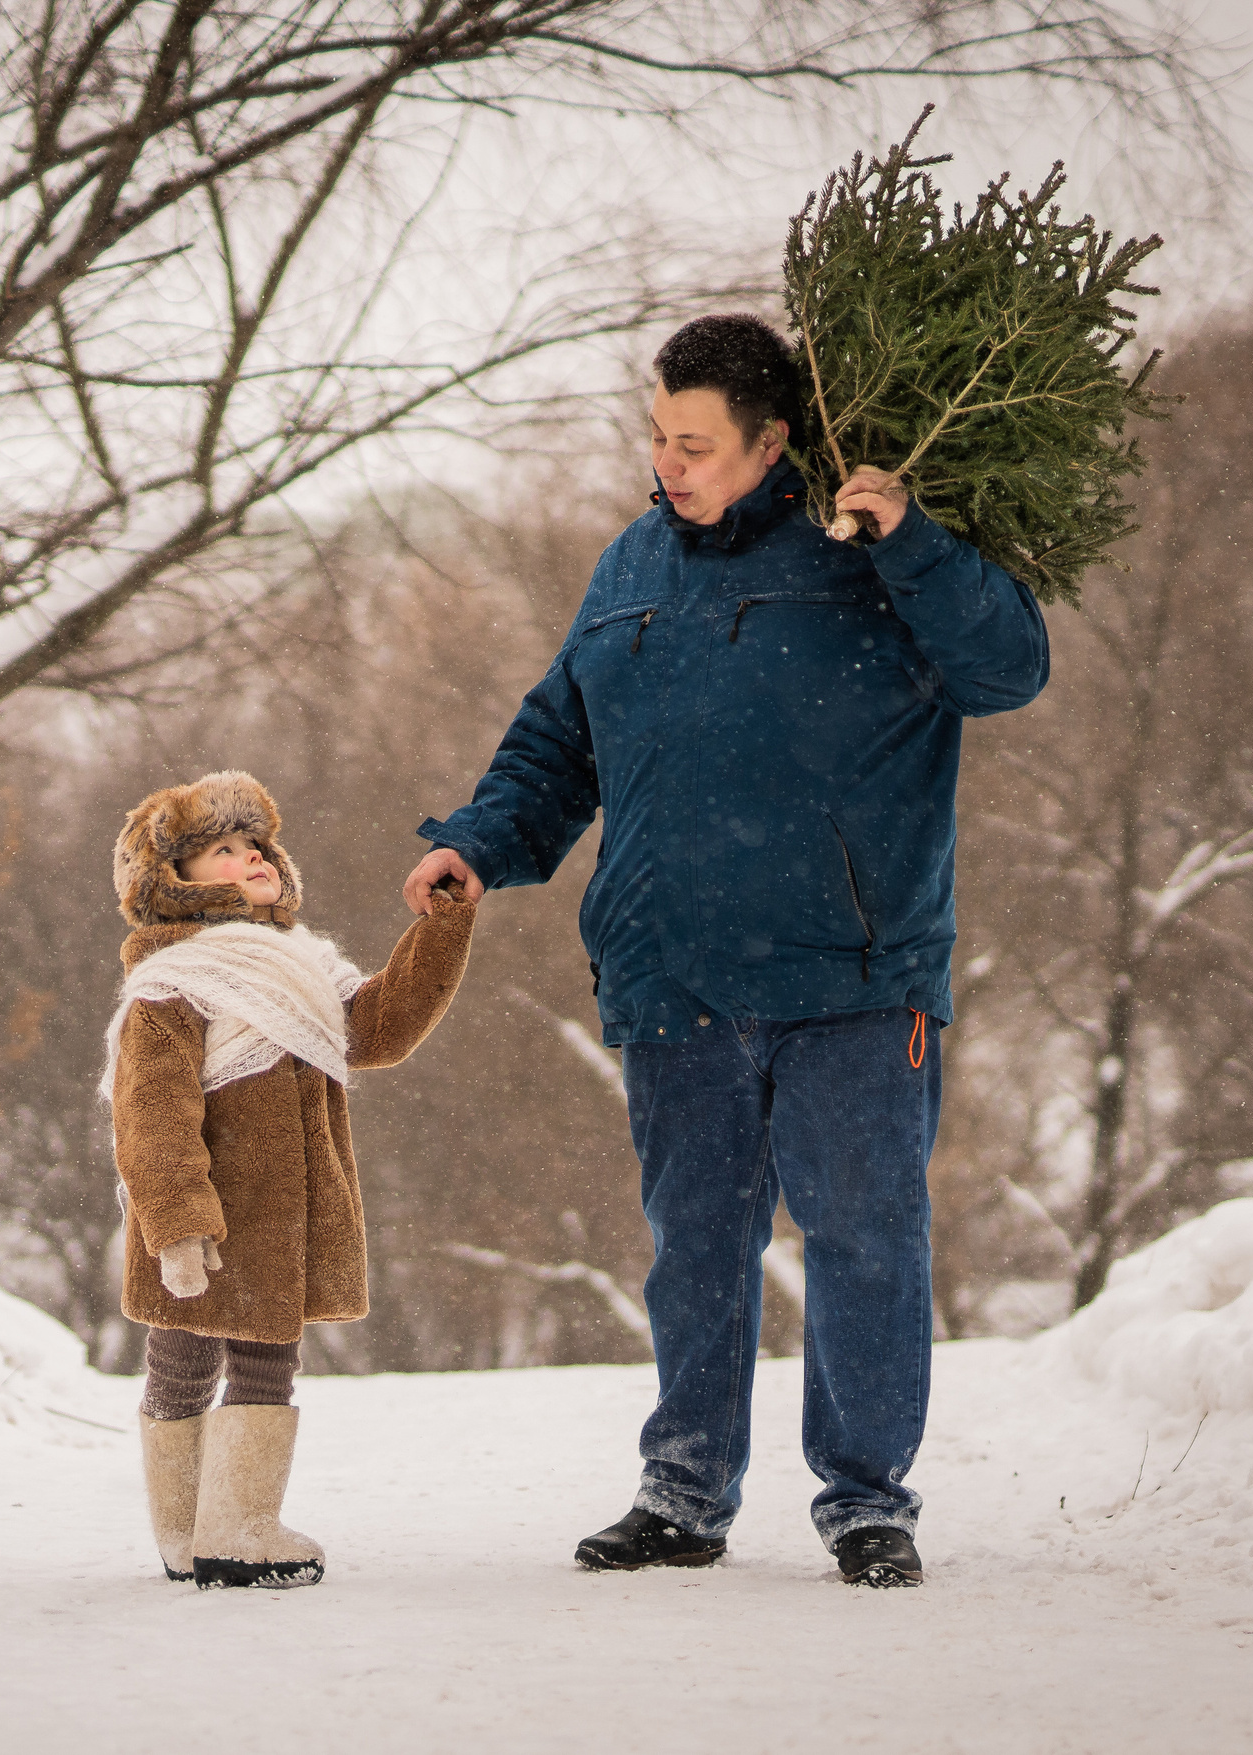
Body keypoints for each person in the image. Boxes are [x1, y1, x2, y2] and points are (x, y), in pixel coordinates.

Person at [404, 314, 1049, 1588]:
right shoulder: (630, 567)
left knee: (863, 1237)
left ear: (772, 444)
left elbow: (1007, 669)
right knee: (693, 1244)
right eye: (657, 436)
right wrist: (480, 842)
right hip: (672, 971)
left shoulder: (869, 555)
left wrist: (913, 540)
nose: (669, 463)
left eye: (695, 444)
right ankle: (684, 1491)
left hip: (851, 976)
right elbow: (559, 744)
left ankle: (868, 1501)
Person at [103, 769, 476, 1587]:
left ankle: (234, 1524)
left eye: (253, 844)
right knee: (181, 1354)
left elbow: (379, 1028)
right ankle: (191, 1530)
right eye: (221, 852)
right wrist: (177, 1221)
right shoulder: (173, 981)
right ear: (175, 885)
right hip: (205, 1214)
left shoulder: (301, 967)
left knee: (268, 1357)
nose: (250, 857)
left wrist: (441, 929)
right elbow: (151, 1111)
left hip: (282, 1212)